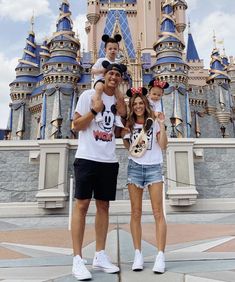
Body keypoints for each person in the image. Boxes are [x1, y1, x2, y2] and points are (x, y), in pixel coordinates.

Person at [71, 62, 127, 281]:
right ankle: (77, 258)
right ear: (103, 76)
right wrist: (94, 110)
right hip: (86, 158)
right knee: (82, 205)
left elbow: (120, 131)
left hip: (108, 160)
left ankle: (100, 255)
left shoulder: (118, 103)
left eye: (117, 74)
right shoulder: (88, 96)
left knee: (104, 206)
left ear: (121, 79)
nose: (113, 77)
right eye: (110, 73)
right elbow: (76, 126)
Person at [121, 87, 168, 274]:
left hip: (154, 167)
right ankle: (137, 254)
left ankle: (160, 255)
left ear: (145, 104)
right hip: (135, 168)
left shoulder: (154, 121)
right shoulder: (129, 124)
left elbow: (163, 145)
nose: (138, 106)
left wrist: (162, 125)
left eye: (141, 103)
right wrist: (129, 143)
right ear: (131, 107)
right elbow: (127, 145)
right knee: (136, 212)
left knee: (158, 212)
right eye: (135, 104)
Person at [91, 34, 124, 123]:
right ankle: (97, 112)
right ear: (105, 50)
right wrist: (102, 70)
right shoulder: (101, 60)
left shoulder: (117, 63)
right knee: (99, 88)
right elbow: (92, 71)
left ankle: (117, 117)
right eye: (110, 49)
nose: (112, 51)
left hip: (112, 85)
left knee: (120, 96)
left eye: (115, 49)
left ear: (118, 50)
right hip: (100, 81)